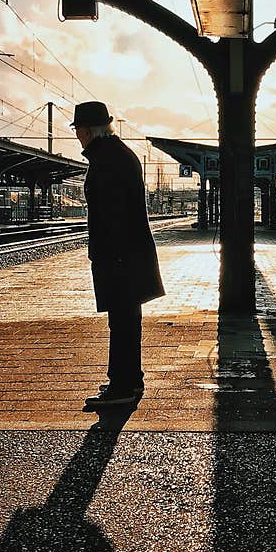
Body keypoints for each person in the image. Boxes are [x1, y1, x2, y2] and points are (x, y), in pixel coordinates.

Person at [71, 101, 165, 408]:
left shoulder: (107, 160)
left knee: (122, 321)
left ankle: (122, 386)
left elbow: (112, 214)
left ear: (87, 131)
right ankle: (127, 379)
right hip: (126, 254)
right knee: (126, 319)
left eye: (78, 131)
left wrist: (111, 255)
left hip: (120, 255)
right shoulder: (117, 155)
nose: (77, 137)